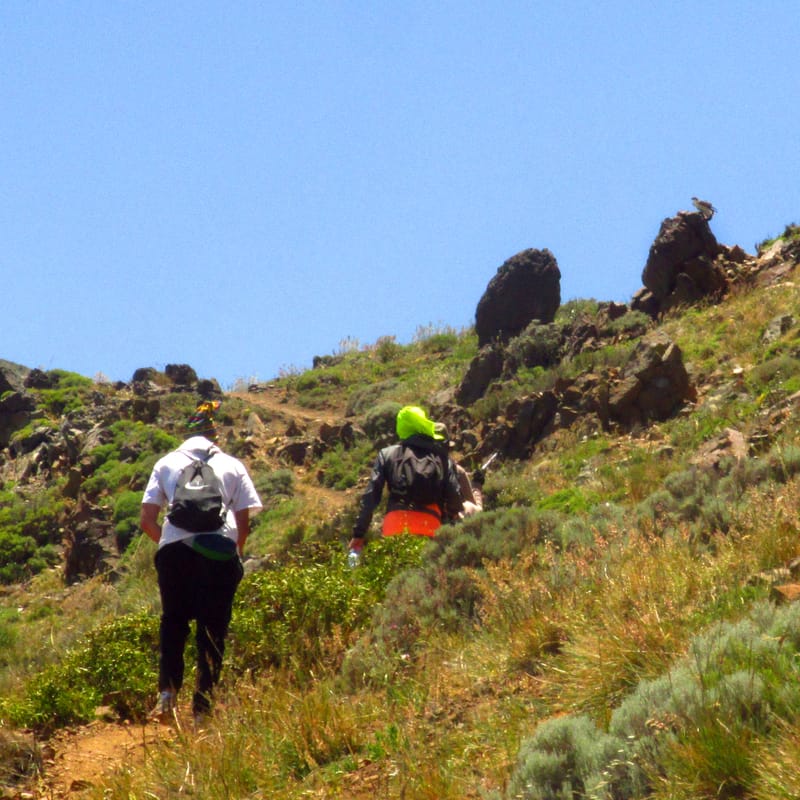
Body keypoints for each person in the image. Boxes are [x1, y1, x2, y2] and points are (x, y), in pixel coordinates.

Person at [140, 400, 262, 723]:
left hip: (174, 553)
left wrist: (169, 542)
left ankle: (166, 696)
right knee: (212, 631)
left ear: (186, 435)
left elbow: (146, 519)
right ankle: (202, 711)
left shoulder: (166, 463)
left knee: (174, 621)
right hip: (219, 551)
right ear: (214, 435)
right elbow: (244, 523)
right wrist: (231, 554)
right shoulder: (233, 465)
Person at [348, 405, 463, 555]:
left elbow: (371, 495)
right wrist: (450, 516)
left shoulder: (387, 454)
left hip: (394, 528)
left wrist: (359, 533)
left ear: (401, 427)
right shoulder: (443, 458)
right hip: (430, 528)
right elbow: (455, 497)